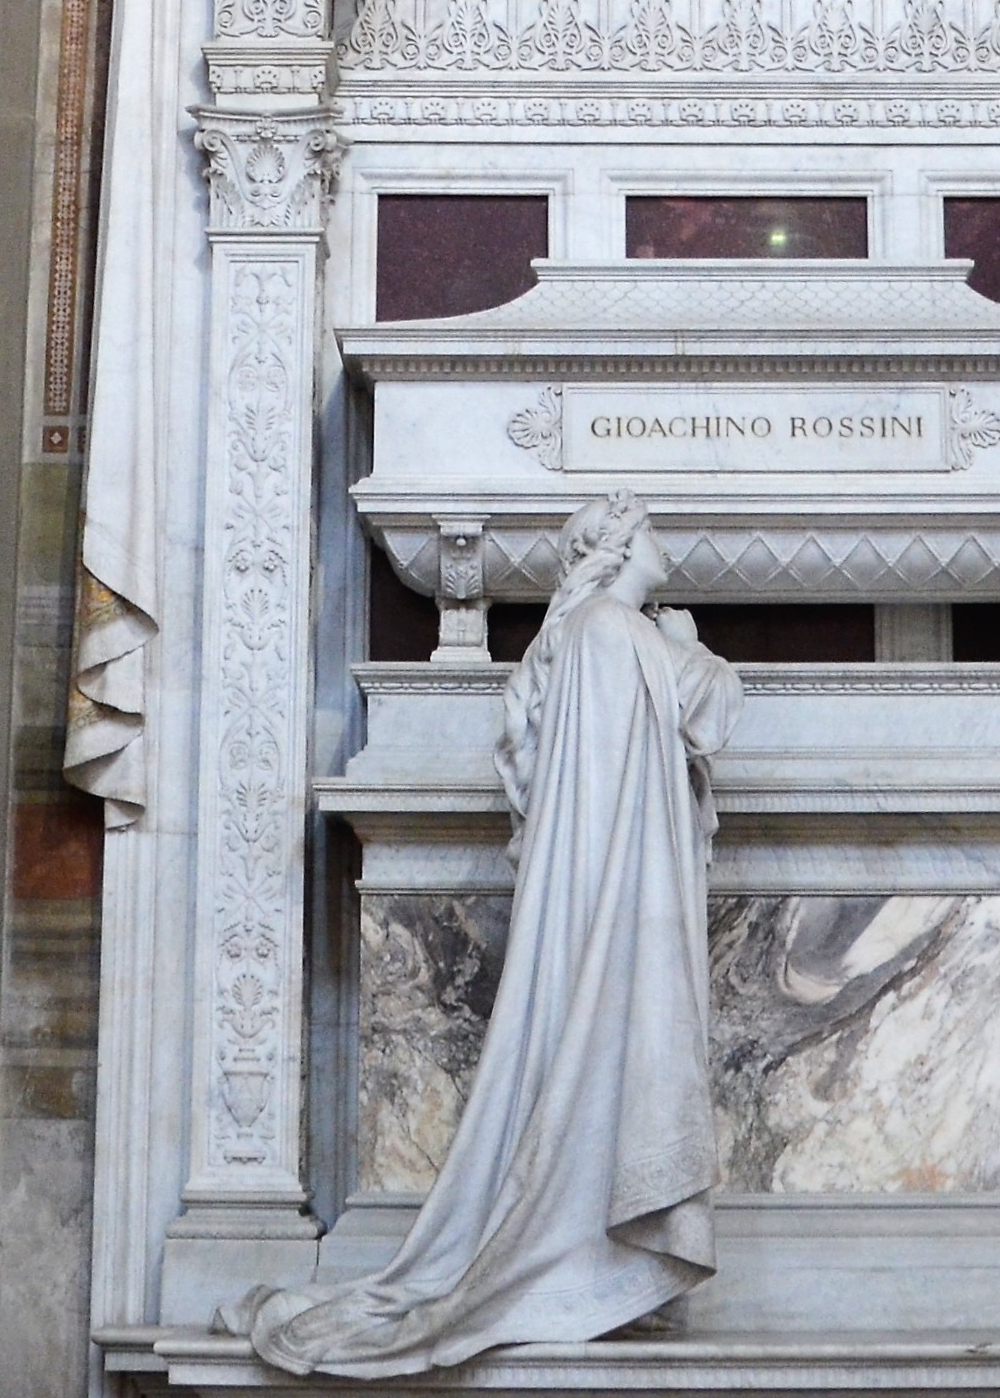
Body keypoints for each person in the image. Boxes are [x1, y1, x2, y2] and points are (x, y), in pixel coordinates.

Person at [231, 497, 737, 1375]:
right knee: (621, 1060)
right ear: (620, 547)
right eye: (647, 530)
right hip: (622, 902)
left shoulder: (581, 634)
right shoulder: (616, 631)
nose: (663, 543)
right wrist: (691, 647)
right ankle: (591, 1268)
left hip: (597, 895)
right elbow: (705, 709)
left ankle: (600, 1272)